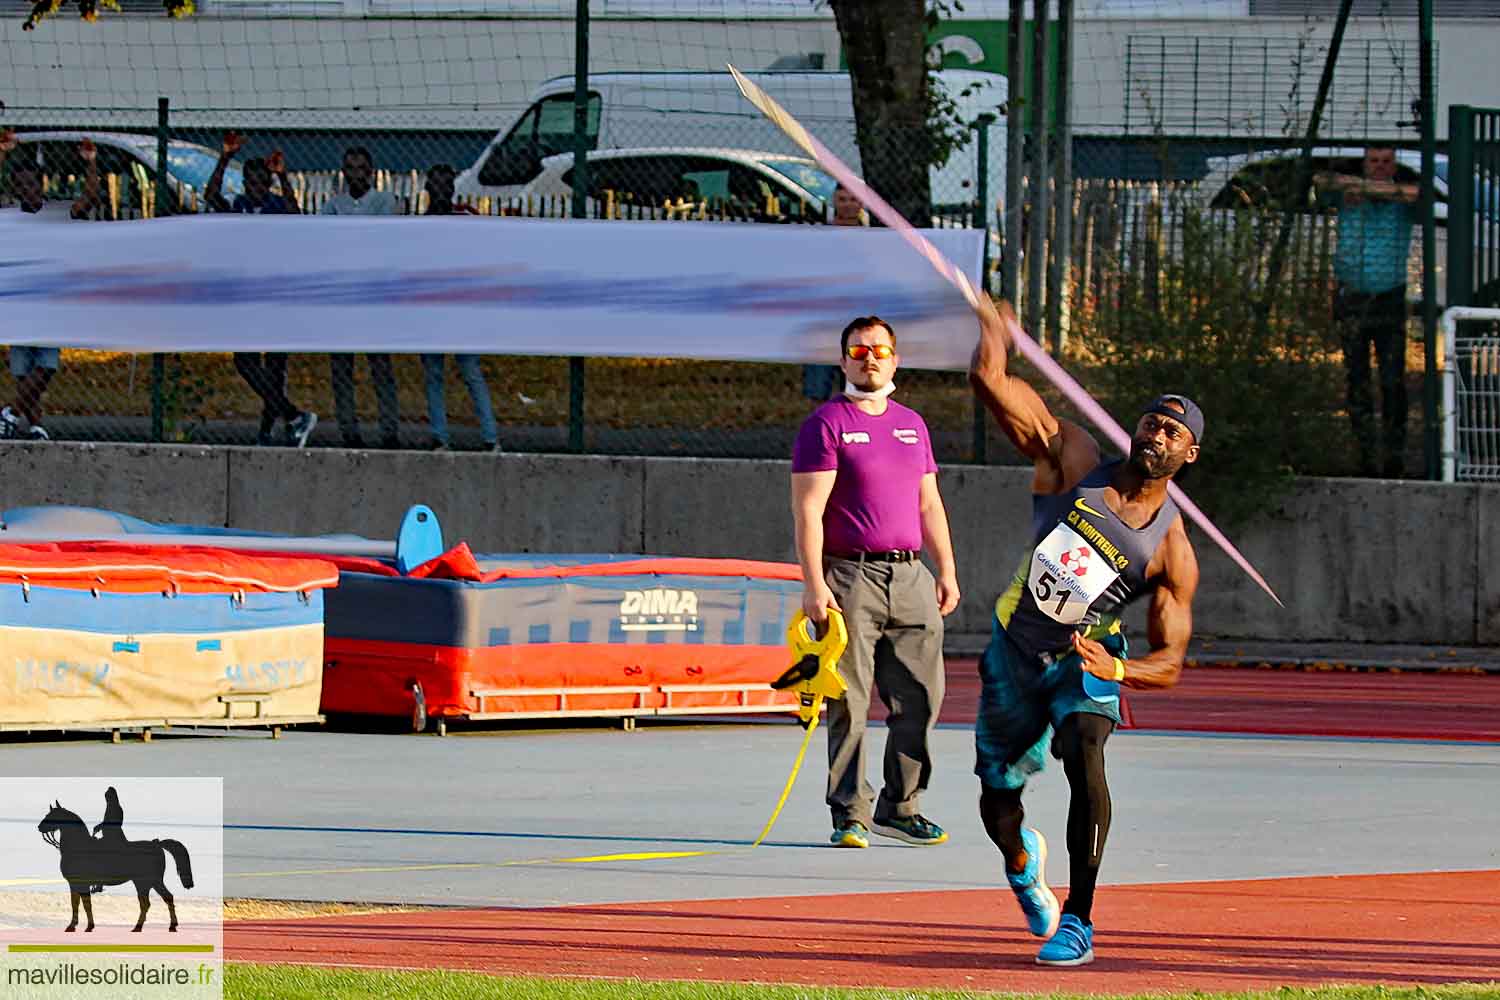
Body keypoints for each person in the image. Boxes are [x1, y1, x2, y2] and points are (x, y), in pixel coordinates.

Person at [966, 296, 1201, 966]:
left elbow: (1172, 662)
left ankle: (1080, 919)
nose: (1158, 435)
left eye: (1172, 433)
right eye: (1153, 422)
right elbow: (992, 385)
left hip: (1087, 658)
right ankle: (1021, 861)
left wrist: (1119, 670)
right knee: (997, 798)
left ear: (1190, 453)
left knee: (1085, 751)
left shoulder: (1169, 551)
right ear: (1136, 427)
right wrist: (994, 331)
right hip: (1014, 651)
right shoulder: (1074, 461)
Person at [791, 315, 960, 850]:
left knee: (922, 698)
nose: (870, 359)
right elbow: (808, 510)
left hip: (911, 574)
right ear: (843, 360)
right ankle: (850, 814)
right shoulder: (826, 424)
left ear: (896, 358)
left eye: (880, 350)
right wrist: (814, 583)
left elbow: (929, 502)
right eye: (859, 351)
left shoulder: (913, 424)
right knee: (851, 700)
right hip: (850, 575)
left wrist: (947, 568)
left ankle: (901, 806)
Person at [205, 132, 318, 448]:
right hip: (247, 296)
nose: (254, 187)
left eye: (260, 181)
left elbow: (296, 218)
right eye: (250, 181)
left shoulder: (277, 206)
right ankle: (294, 416)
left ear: (267, 183)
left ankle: (272, 429)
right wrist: (225, 157)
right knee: (245, 361)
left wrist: (283, 176)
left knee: (275, 367)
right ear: (243, 182)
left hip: (276, 295)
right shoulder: (239, 206)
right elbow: (211, 194)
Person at [1314, 147, 1419, 477]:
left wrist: (1368, 188)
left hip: (1389, 296)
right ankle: (1365, 453)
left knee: (1392, 381)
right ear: (1364, 164)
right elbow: (1320, 179)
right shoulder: (1347, 194)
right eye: (1373, 161)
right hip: (1353, 298)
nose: (1379, 167)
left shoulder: (1402, 200)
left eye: (1386, 162)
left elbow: (1418, 194)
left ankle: (1394, 454)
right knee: (1357, 379)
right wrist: (1355, 187)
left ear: (1394, 165)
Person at [0, 130, 100, 442]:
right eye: (21, 185)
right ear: (15, 188)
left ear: (41, 184)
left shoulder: (56, 213)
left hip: (49, 305)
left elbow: (90, 198)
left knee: (46, 367)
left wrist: (91, 163)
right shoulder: (10, 216)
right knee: (23, 372)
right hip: (18, 304)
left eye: (32, 183)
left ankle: (11, 413)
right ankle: (36, 425)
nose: (27, 190)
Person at [321, 146, 400, 448]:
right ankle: (349, 432)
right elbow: (326, 244)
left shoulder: (383, 202)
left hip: (373, 299)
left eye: (360, 169)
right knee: (342, 370)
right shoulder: (334, 205)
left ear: (370, 172)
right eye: (349, 169)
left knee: (381, 367)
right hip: (341, 300)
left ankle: (389, 431)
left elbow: (378, 241)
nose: (355, 174)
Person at [418, 164, 500, 452]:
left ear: (453, 189)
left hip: (461, 307)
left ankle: (490, 436)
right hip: (431, 309)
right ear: (427, 189)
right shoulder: (418, 225)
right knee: (433, 372)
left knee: (470, 370)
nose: (441, 190)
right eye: (435, 184)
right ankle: (439, 435)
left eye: (446, 184)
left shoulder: (465, 217)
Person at [801, 183, 865, 404]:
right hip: (823, 321)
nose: (848, 205)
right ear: (834, 202)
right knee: (818, 392)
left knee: (859, 392)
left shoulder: (875, 239)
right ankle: (819, 436)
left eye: (853, 199)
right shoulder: (818, 237)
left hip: (859, 325)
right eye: (843, 199)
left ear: (862, 203)